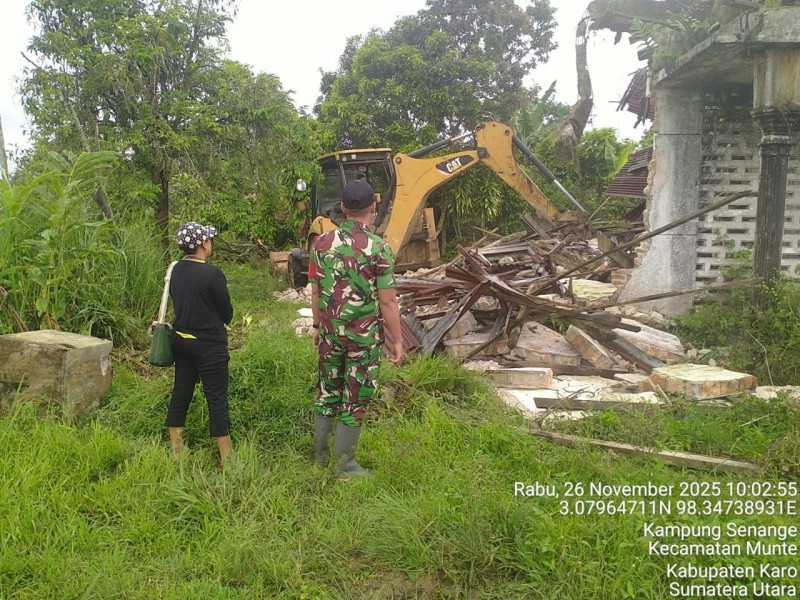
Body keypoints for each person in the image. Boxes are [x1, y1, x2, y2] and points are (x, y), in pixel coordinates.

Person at [309, 180, 404, 478]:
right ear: (373, 207)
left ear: (342, 208)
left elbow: (314, 292)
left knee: (327, 393)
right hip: (362, 338)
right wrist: (397, 340)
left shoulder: (321, 243)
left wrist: (316, 325)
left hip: (329, 333)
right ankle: (346, 466)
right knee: (355, 397)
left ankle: (320, 459)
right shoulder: (378, 248)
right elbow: (388, 302)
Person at [166, 222, 234, 466]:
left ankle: (176, 448)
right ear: (204, 244)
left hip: (181, 342)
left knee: (181, 392)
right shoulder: (212, 273)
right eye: (209, 239)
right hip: (209, 346)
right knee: (216, 398)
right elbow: (226, 314)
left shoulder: (174, 270)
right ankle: (226, 457)